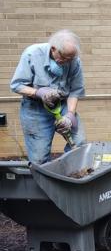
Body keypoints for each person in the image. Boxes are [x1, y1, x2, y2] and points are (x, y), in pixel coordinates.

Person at [10, 29, 86, 164]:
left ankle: (72, 175)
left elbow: (75, 90)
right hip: (35, 109)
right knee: (39, 158)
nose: (66, 62)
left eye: (70, 59)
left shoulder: (74, 61)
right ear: (53, 49)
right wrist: (38, 92)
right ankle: (45, 181)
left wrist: (69, 115)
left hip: (62, 105)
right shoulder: (32, 54)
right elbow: (17, 85)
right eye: (63, 57)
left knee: (79, 142)